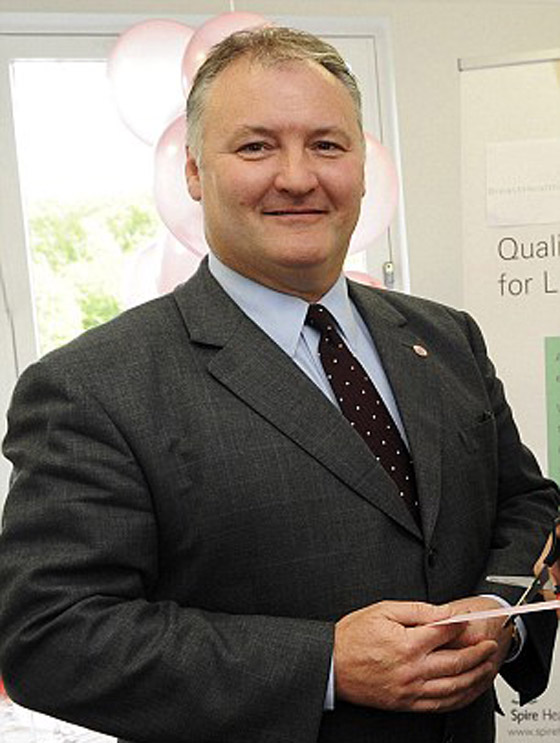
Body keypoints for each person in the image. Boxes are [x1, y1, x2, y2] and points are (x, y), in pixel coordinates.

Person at [0, 26, 558, 743]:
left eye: (327, 145)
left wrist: (499, 612)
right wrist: (323, 664)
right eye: (256, 147)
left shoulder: (447, 337)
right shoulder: (93, 387)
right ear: (194, 170)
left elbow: (525, 502)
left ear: (362, 167)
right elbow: (49, 635)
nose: (298, 177)